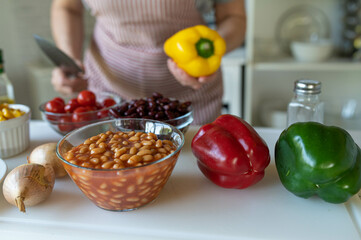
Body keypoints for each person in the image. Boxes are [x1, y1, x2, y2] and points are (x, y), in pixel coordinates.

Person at [50, 0, 246, 125]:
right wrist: (70, 58)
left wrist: (209, 56)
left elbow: (233, 16)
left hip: (191, 96)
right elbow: (67, 7)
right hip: (110, 88)